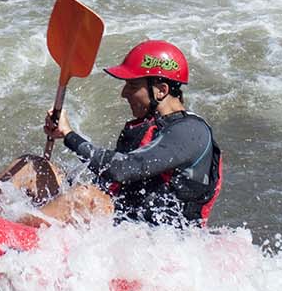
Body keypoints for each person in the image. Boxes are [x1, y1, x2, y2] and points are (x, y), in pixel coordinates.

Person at [44, 40, 223, 228]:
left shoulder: (190, 131)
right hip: (125, 222)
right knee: (35, 166)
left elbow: (122, 169)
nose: (124, 93)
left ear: (161, 90)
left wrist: (69, 135)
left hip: (161, 239)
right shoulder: (149, 126)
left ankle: (20, 235)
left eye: (132, 85)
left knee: (83, 197)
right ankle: (14, 223)